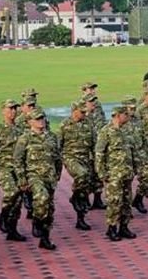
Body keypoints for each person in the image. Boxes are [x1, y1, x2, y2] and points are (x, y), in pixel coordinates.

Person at [14, 110, 58, 250]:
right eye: (37, 119)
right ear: (30, 122)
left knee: (49, 209)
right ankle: (36, 221)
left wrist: (57, 175)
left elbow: (57, 158)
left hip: (49, 177)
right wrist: (22, 179)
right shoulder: (24, 139)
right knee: (41, 197)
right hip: (34, 176)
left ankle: (45, 238)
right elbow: (18, 160)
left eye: (42, 118)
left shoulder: (51, 136)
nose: (41, 121)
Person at [0, 99, 27, 242]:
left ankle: (12, 229)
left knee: (18, 200)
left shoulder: (21, 129)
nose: (13, 111)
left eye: (15, 109)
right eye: (10, 109)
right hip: (3, 168)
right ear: (3, 111)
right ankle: (3, 215)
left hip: (18, 169)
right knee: (12, 192)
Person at [95, 104, 137, 240]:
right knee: (114, 201)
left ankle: (124, 227)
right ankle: (111, 228)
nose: (128, 117)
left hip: (127, 172)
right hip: (113, 174)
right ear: (118, 116)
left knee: (126, 200)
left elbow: (132, 151)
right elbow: (99, 153)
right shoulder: (106, 132)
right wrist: (101, 173)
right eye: (126, 114)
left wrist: (135, 167)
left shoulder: (127, 131)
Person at [58, 101, 96, 231]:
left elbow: (94, 144)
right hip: (71, 158)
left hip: (85, 158)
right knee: (81, 174)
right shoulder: (65, 125)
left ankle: (80, 218)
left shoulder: (88, 124)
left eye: (85, 112)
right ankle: (75, 195)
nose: (85, 114)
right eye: (82, 112)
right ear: (74, 111)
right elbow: (58, 145)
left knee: (85, 189)